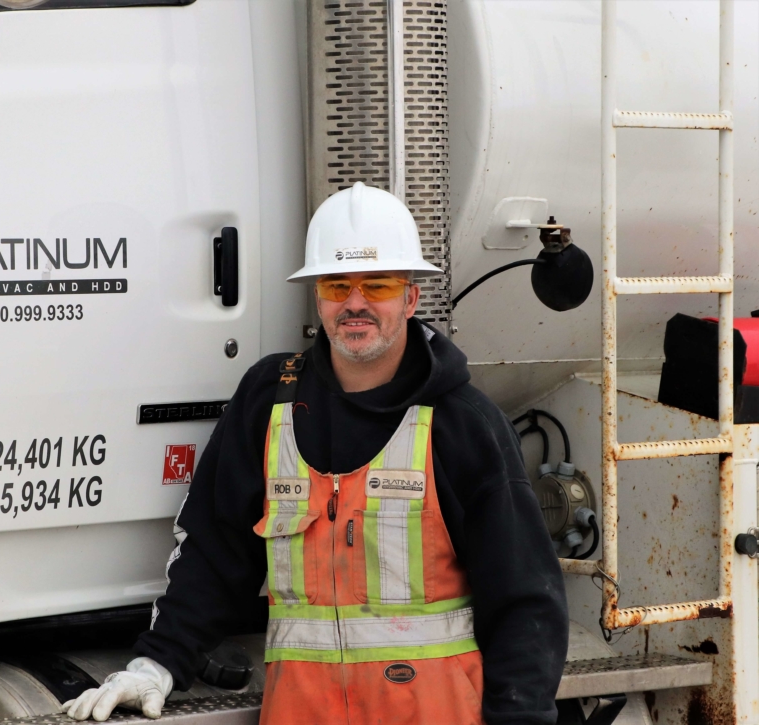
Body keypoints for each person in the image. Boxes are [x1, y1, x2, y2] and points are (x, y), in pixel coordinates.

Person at [64, 182, 568, 724]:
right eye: (336, 284)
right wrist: (155, 665)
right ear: (317, 297)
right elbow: (215, 551)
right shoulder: (269, 401)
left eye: (376, 284)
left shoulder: (463, 425)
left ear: (411, 296)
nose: (354, 302)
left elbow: (524, 602)